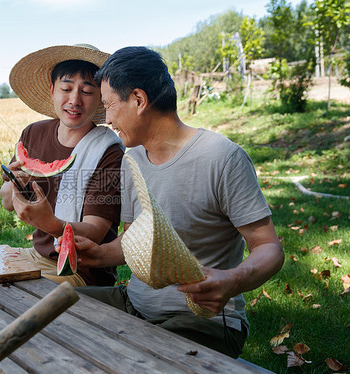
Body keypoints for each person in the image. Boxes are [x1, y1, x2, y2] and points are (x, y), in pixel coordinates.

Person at [71, 46, 284, 358]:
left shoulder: (222, 157)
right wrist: (99, 254)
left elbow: (270, 248)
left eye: (109, 106)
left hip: (202, 320)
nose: (107, 119)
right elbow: (135, 242)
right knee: (53, 309)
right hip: (135, 303)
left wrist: (231, 279)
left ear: (139, 100)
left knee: (137, 361)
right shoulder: (132, 160)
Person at [1, 44, 124, 287]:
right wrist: (15, 185)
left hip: (80, 271)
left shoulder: (109, 151)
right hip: (36, 256)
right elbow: (6, 202)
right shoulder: (32, 133)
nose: (74, 100)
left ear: (100, 98)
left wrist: (50, 224)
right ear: (52, 91)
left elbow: (95, 230)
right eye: (66, 89)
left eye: (87, 92)